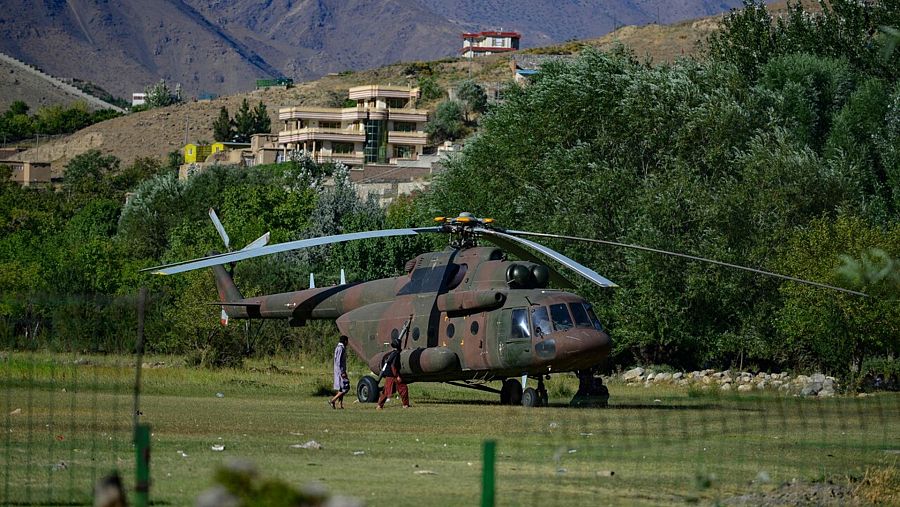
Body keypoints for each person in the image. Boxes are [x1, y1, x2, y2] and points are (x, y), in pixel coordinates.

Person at [376, 337, 409, 409]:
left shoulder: (391, 353)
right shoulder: (396, 354)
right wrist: (397, 376)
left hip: (389, 374)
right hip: (393, 374)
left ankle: (379, 405)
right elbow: (393, 365)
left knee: (387, 390)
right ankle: (405, 405)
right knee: (403, 388)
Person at [329, 336, 349, 409]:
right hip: (340, 371)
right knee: (346, 387)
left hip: (339, 371)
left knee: (341, 388)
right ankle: (333, 400)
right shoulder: (340, 348)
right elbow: (338, 361)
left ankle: (340, 404)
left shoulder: (340, 348)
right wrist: (342, 372)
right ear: (345, 341)